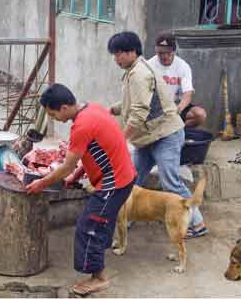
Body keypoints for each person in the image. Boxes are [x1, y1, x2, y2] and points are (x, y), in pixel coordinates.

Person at [25, 83, 136, 296]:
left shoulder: (81, 126)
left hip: (114, 182)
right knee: (102, 222)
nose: (53, 118)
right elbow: (92, 151)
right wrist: (76, 176)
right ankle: (99, 264)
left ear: (64, 107)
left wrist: (41, 183)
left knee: (89, 227)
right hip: (124, 176)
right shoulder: (92, 109)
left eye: (52, 113)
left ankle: (99, 278)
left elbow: (66, 165)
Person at [107, 31, 207, 238]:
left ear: (132, 52)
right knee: (132, 178)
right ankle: (129, 216)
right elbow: (133, 102)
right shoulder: (135, 70)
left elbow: (140, 110)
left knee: (170, 181)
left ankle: (197, 224)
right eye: (114, 54)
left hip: (165, 135)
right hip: (148, 137)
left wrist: (121, 138)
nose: (116, 58)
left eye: (119, 54)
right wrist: (113, 109)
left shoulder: (140, 73)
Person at [147, 31, 207, 127]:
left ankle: (179, 131)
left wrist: (178, 109)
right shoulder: (148, 65)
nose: (164, 56)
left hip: (176, 105)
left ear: (174, 51)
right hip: (155, 107)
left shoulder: (183, 66)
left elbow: (188, 93)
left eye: (168, 53)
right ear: (156, 50)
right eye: (160, 53)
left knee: (200, 114)